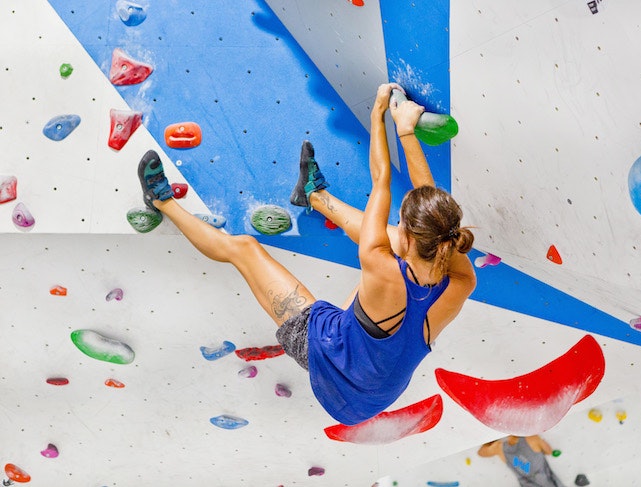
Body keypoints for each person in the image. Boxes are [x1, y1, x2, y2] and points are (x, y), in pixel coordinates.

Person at [136, 83, 476, 425]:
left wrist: (381, 117)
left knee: (245, 249)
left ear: (412, 235)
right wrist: (405, 132)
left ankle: (162, 201)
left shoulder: (379, 262)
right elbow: (429, 218)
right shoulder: (462, 282)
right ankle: (312, 195)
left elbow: (381, 179)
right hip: (375, 395)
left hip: (331, 370)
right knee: (387, 253)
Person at [477, 436, 565, 487]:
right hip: (545, 480)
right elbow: (549, 451)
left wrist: (493, 442)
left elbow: (481, 453)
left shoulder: (500, 448)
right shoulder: (532, 439)